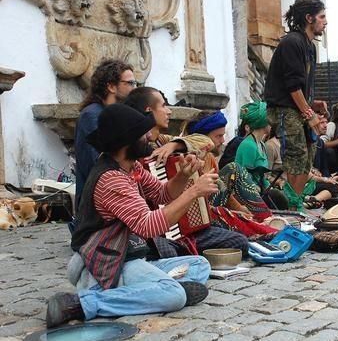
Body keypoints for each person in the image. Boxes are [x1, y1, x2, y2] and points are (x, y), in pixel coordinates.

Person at [46, 104, 215, 328]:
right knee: (175, 296)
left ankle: (147, 291)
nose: (148, 136)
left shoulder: (130, 166)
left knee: (200, 266)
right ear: (127, 142)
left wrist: (184, 176)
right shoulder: (112, 179)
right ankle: (81, 303)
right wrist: (194, 192)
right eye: (142, 133)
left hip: (127, 257)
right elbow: (148, 226)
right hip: (103, 266)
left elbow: (163, 194)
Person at [123, 87, 259, 246]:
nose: (169, 111)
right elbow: (148, 219)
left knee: (234, 223)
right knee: (232, 225)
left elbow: (205, 142)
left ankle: (264, 222)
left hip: (184, 219)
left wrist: (175, 145)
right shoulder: (133, 155)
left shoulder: (162, 141)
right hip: (160, 230)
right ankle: (262, 225)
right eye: (163, 106)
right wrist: (195, 191)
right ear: (148, 110)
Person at [264, 0, 327, 209]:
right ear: (309, 18)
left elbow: (300, 85)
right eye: (322, 17)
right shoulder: (292, 42)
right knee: (296, 154)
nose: (325, 22)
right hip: (285, 109)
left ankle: (296, 202)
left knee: (308, 155)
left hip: (298, 107)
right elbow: (292, 86)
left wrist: (313, 104)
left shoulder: (309, 46)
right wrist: (310, 115)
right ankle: (293, 205)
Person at [74, 59, 136, 212]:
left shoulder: (113, 114)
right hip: (97, 205)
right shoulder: (92, 115)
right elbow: (101, 162)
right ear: (111, 86)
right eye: (130, 83)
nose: (135, 89)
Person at [235, 101, 289, 211]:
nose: (272, 124)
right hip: (249, 193)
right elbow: (244, 175)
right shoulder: (248, 145)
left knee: (282, 197)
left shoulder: (262, 144)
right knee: (279, 199)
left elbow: (262, 176)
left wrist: (269, 187)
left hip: (261, 190)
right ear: (262, 122)